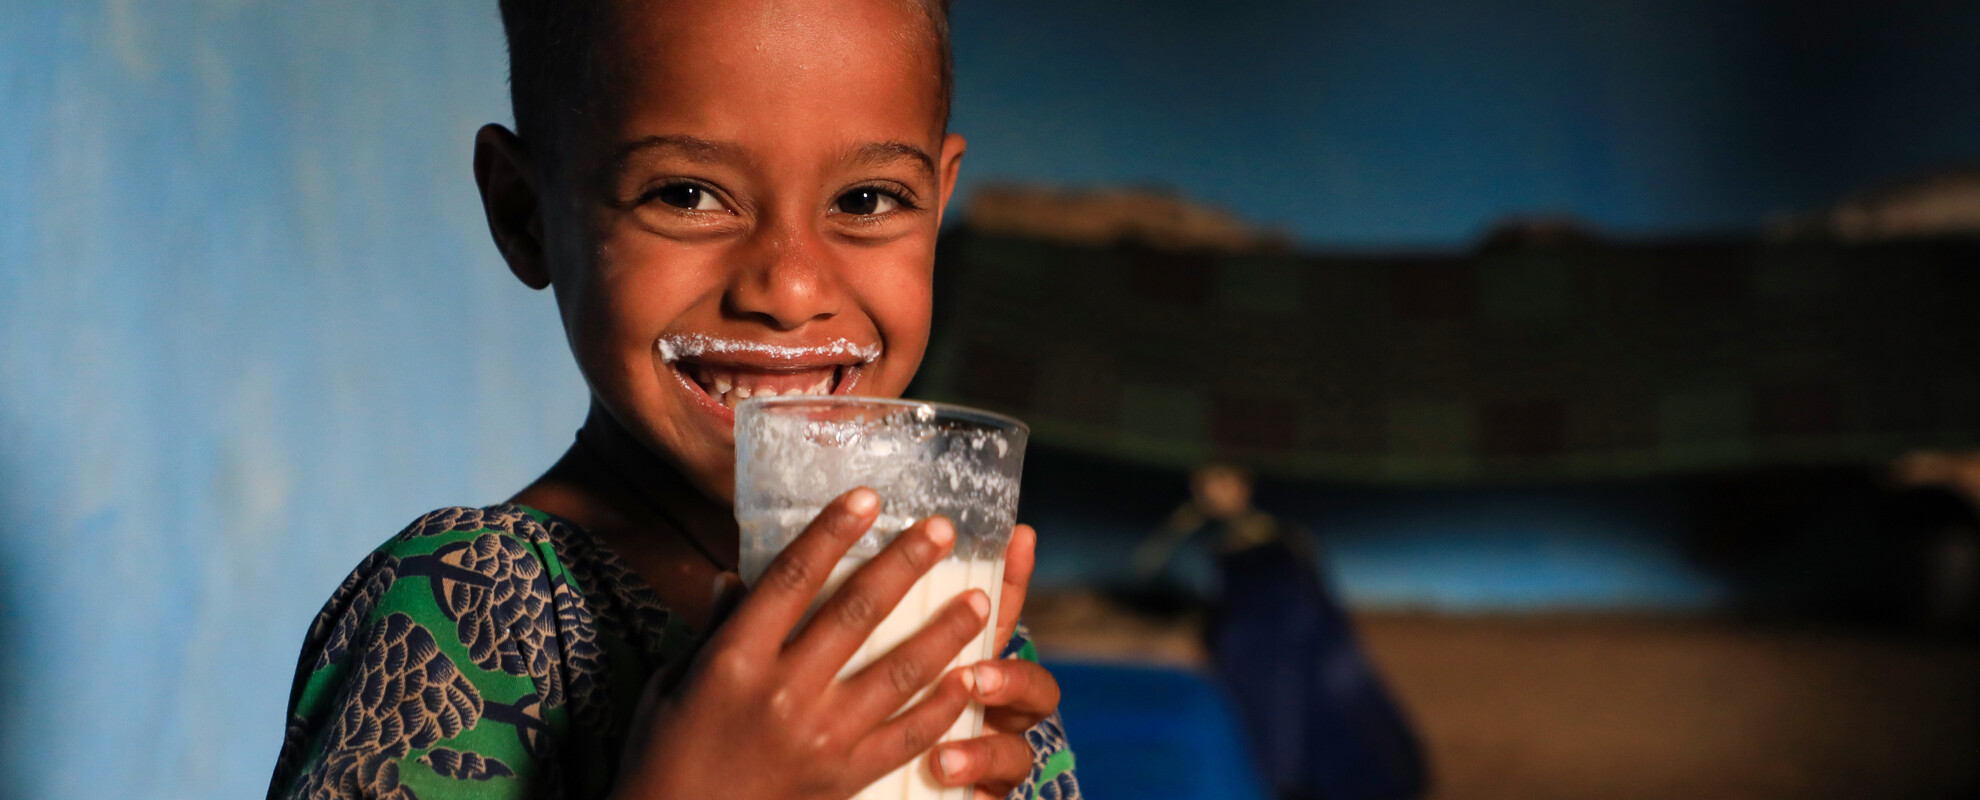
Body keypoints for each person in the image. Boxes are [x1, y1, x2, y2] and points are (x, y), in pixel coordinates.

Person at [265, 2, 1079, 798]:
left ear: (938, 202)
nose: (791, 291)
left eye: (866, 200)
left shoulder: (951, 641)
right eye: (686, 194)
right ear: (526, 212)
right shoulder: (469, 609)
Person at [1134, 465, 1424, 800]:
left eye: (1226, 482)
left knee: (1327, 709)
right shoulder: (1196, 534)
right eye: (1207, 484)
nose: (1215, 492)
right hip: (1247, 644)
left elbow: (1311, 588)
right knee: (1266, 729)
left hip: (1297, 636)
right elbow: (1155, 574)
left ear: (1246, 486)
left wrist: (1322, 631)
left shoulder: (1279, 532)